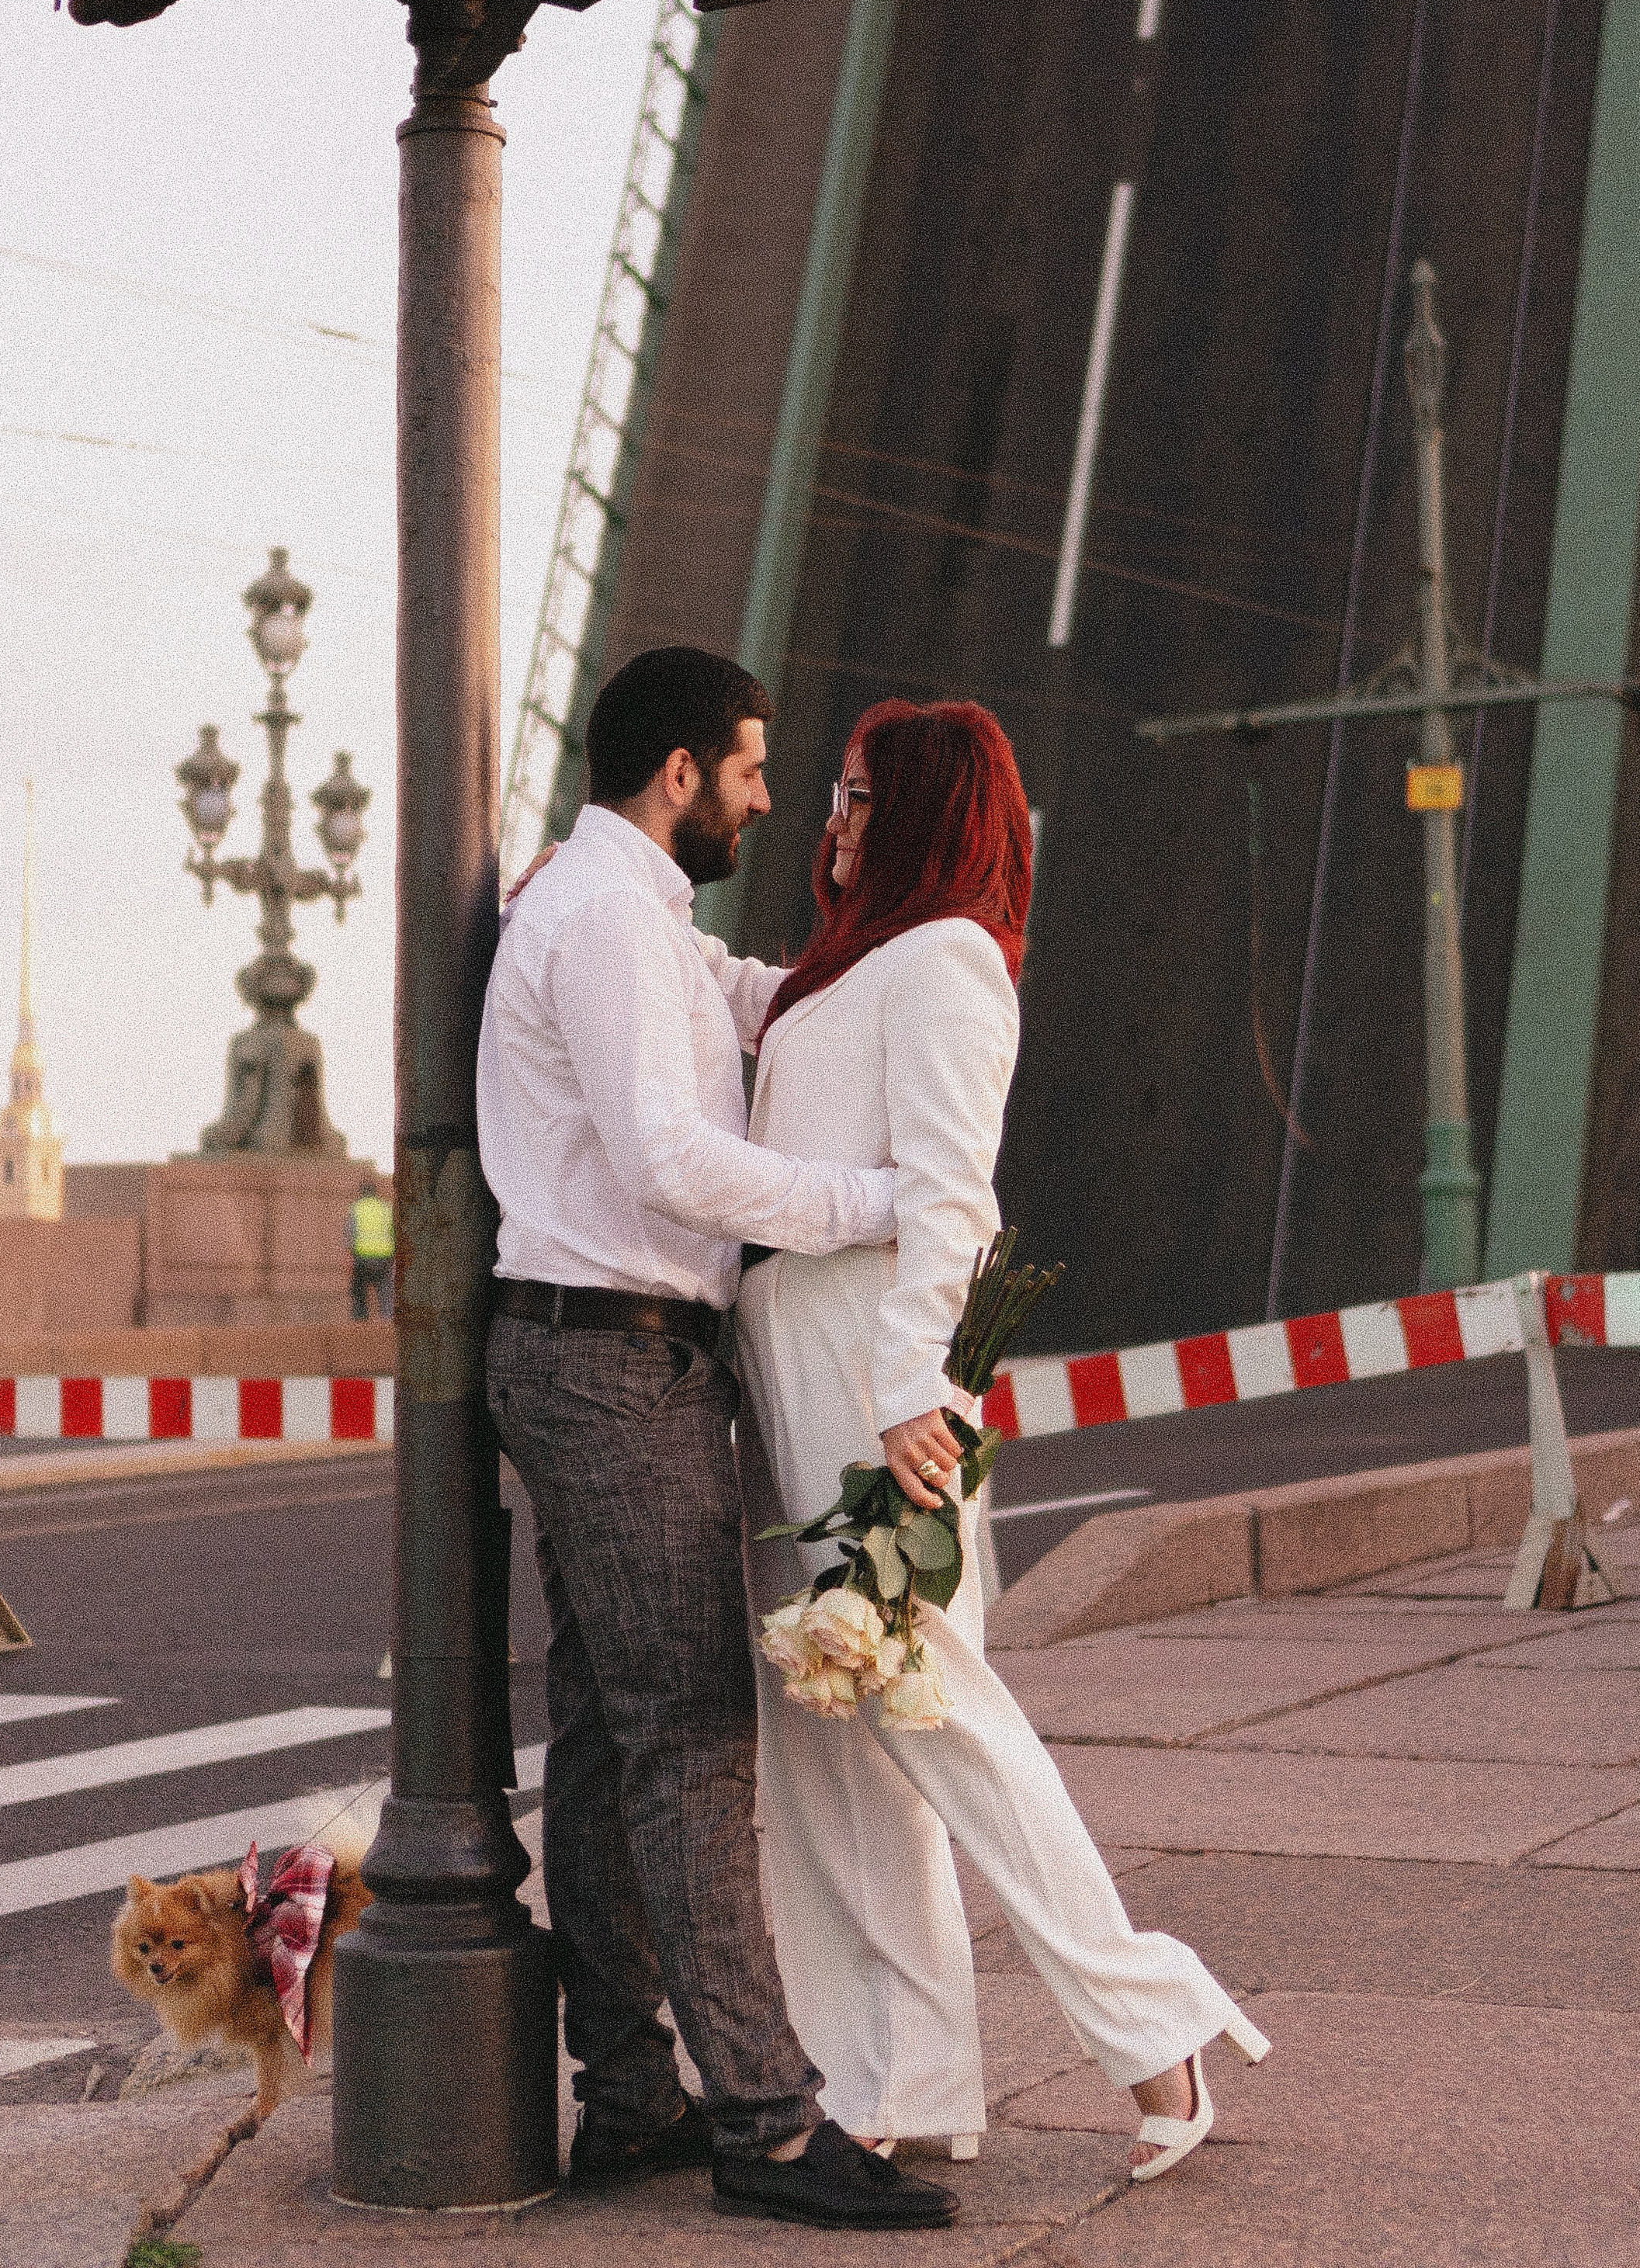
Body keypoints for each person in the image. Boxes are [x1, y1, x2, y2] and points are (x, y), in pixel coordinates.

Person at [737, 699, 1268, 2183]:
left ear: (921, 808)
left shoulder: (948, 960)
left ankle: (1151, 2019)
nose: (831, 818)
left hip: (872, 1368)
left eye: (858, 794)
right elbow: (731, 999)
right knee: (828, 1730)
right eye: (834, 792)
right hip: (796, 1356)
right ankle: (892, 2077)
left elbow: (952, 1192)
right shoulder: (845, 969)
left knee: (933, 1706)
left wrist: (914, 1382)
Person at [478, 646, 961, 2232]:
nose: (766, 799)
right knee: (690, 1737)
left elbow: (761, 1002)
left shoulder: (635, 917)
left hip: (597, 1354)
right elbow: (669, 1160)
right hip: (612, 1360)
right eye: (751, 770)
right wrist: (883, 1201)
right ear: (679, 771)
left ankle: (631, 2096)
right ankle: (766, 2123)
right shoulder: (606, 917)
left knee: (613, 1736)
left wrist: (874, 942)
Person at [345, 1177, 393, 1320]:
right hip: (385, 1256)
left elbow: (350, 1234)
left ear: (361, 1193)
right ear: (375, 1192)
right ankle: (387, 1319)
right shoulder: (386, 1208)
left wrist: (349, 1253)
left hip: (363, 1256)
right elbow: (394, 1232)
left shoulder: (356, 1208)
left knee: (359, 1289)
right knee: (385, 1290)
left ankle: (360, 1319)